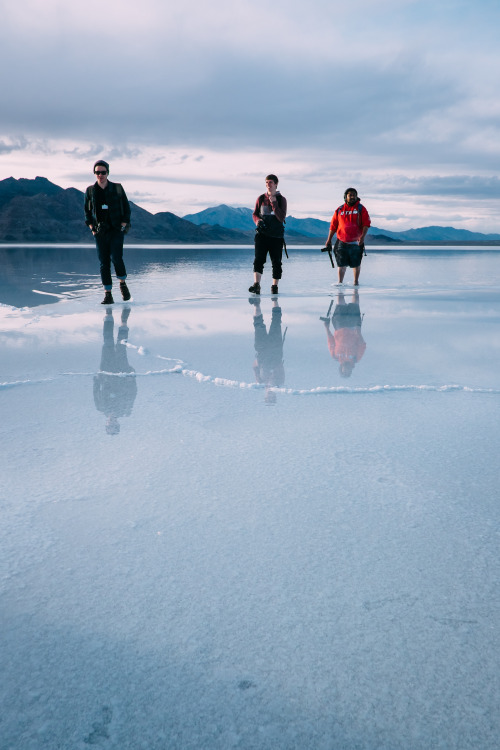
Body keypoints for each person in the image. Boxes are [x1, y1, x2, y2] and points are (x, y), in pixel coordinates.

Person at [84, 160, 131, 304]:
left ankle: (122, 284)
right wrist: (92, 229)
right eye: (97, 172)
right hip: (100, 232)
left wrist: (122, 226)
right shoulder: (91, 191)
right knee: (103, 263)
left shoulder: (117, 188)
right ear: (94, 174)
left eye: (103, 172)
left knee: (116, 258)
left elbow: (127, 208)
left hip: (116, 230)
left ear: (107, 173)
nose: (100, 175)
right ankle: (108, 294)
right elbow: (87, 211)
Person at [249, 174, 287, 296]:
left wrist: (274, 203)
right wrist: (258, 221)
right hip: (262, 235)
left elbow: (281, 218)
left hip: (276, 237)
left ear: (276, 184)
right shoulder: (260, 198)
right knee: (258, 260)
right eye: (266, 182)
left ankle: (274, 286)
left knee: (276, 262)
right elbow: (254, 214)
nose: (268, 185)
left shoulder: (282, 200)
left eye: (270, 182)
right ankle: (256, 285)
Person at [324, 188, 370, 285]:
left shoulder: (361, 209)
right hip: (341, 241)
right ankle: (340, 283)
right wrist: (329, 239)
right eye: (350, 195)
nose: (352, 197)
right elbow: (333, 226)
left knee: (356, 263)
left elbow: (366, 224)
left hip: (356, 242)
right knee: (341, 264)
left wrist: (362, 237)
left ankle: (355, 282)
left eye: (354, 195)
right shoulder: (339, 210)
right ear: (345, 197)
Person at [321, 290, 366, 377]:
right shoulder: (356, 358)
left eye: (344, 371)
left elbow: (330, 341)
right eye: (347, 372)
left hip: (339, 325)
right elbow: (362, 345)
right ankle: (355, 286)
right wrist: (359, 333)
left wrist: (326, 327)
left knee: (340, 301)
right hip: (353, 326)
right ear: (351, 371)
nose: (346, 370)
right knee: (355, 301)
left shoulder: (335, 356)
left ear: (341, 369)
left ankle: (340, 286)